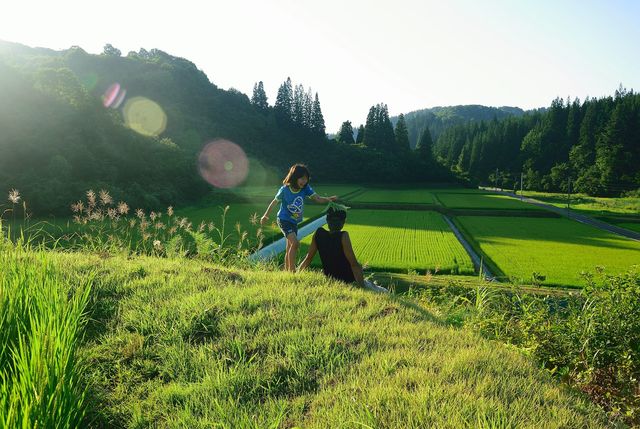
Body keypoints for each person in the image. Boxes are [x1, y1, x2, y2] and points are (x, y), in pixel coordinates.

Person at [261, 164, 337, 271]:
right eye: (302, 178)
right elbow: (274, 202)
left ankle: (287, 270)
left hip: (294, 221)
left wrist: (329, 199)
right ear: (294, 177)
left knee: (290, 247)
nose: (304, 181)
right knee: (295, 243)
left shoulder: (306, 189)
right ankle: (292, 271)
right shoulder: (284, 189)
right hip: (283, 219)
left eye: (306, 179)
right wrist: (265, 215)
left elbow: (318, 199)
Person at [298, 204, 388, 293]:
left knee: (373, 285)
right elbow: (354, 264)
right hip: (348, 280)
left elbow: (308, 258)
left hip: (330, 278)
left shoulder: (318, 233)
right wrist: (362, 286)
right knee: (384, 291)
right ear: (343, 222)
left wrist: (297, 275)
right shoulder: (343, 235)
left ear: (327, 220)